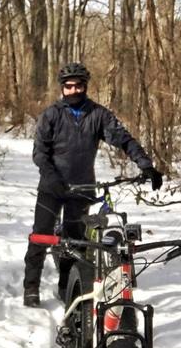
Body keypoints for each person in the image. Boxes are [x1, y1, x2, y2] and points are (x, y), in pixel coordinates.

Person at [23, 62, 163, 308]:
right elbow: (40, 153)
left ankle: (67, 284)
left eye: (78, 86)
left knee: (75, 241)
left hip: (83, 188)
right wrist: (51, 177)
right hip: (52, 188)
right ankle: (31, 287)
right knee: (41, 236)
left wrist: (146, 165)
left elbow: (124, 139)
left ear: (85, 86)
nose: (74, 90)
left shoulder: (98, 114)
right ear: (62, 88)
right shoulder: (51, 115)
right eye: (69, 86)